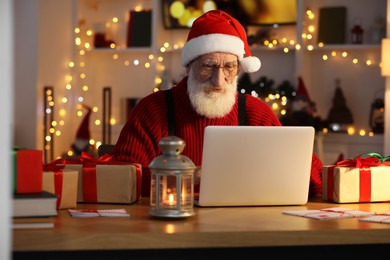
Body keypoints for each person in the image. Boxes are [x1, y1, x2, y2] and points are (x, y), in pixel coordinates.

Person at [111, 10, 323, 198]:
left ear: (239, 69)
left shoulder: (254, 112)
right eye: (208, 67)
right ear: (189, 66)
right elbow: (121, 180)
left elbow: (316, 179)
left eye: (229, 67)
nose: (219, 81)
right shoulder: (152, 111)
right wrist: (189, 177)